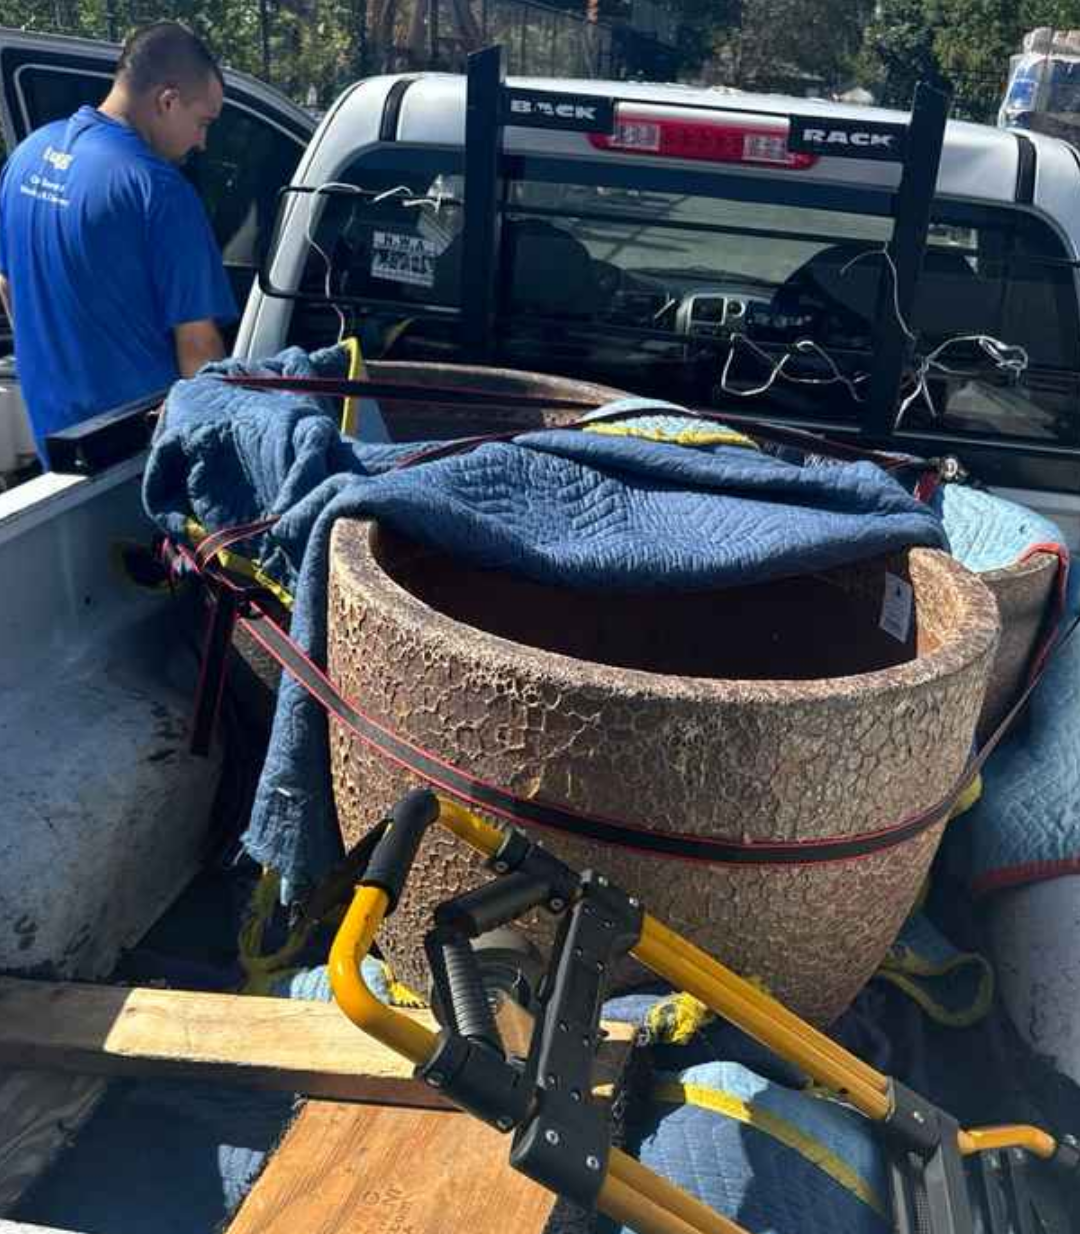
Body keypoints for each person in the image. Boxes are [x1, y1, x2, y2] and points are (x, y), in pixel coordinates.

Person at [0, 21, 237, 466]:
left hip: (55, 441)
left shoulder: (27, 156)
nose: (202, 143)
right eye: (203, 122)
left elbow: (8, 285)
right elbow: (198, 350)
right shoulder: (160, 191)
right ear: (167, 101)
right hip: (136, 454)